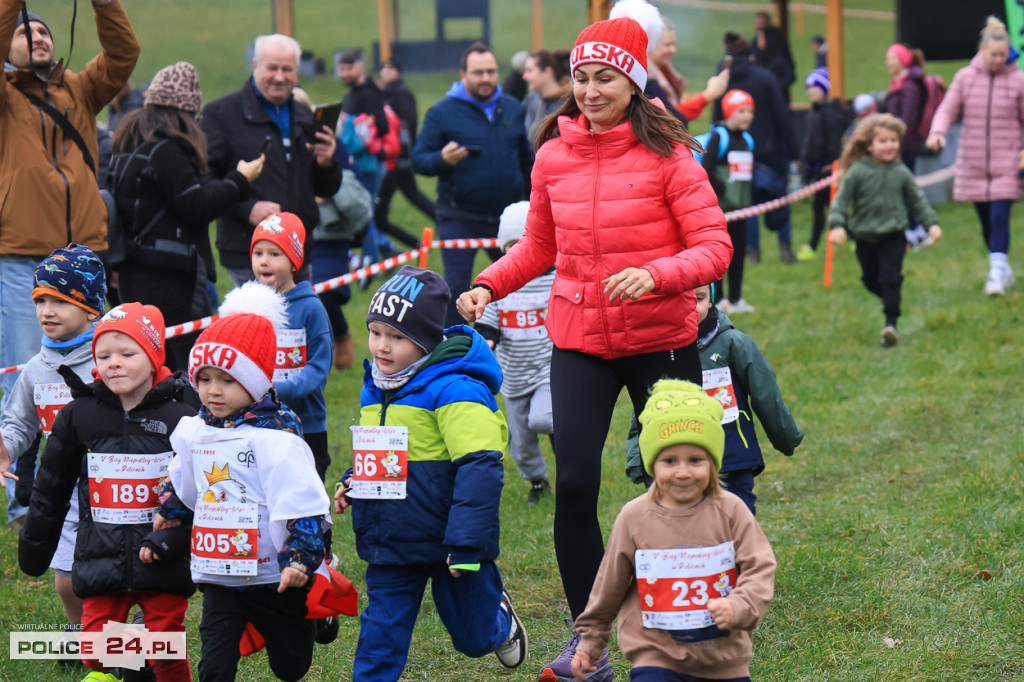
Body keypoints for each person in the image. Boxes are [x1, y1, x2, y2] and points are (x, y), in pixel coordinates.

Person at [455, 1, 732, 678]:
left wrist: (657, 274)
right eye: (582, 78)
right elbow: (540, 246)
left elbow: (714, 247)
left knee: (681, 483)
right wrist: (489, 283)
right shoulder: (554, 156)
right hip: (580, 337)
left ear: (635, 82)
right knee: (575, 484)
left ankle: (689, 619)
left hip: (661, 337)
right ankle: (592, 643)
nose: (590, 91)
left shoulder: (670, 157)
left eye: (606, 78)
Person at [332, 266, 528, 678]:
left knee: (473, 637)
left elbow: (481, 465)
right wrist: (356, 479)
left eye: (398, 337)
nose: (382, 347)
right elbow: (384, 449)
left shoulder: (455, 388)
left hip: (449, 542)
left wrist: (468, 545)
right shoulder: (378, 385)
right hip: (392, 539)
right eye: (376, 332)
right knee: (378, 640)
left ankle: (499, 622)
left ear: (426, 340)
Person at [1, 0, 139, 527]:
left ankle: (95, 482)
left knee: (98, 373)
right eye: (24, 31)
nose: (37, 36)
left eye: (42, 30)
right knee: (24, 376)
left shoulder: (79, 89)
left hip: (82, 257)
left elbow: (124, 53)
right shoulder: (5, 96)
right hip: (20, 256)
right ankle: (26, 501)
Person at [155, 282, 336, 681]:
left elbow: (301, 501)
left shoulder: (276, 437)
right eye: (203, 379)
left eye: (227, 380)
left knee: (291, 666)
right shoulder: (194, 430)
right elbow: (183, 474)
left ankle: (310, 622)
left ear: (254, 383)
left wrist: (300, 559)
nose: (212, 391)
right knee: (215, 665)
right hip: (220, 571)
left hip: (274, 574)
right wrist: (169, 507)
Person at [19, 302, 195, 681]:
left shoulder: (181, 418)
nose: (114, 362)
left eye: (127, 354)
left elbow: (204, 489)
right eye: (104, 355)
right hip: (101, 556)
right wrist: (35, 545)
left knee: (166, 648)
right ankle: (134, 654)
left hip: (162, 554)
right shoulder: (80, 414)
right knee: (95, 650)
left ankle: (148, 660)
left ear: (153, 357)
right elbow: (52, 485)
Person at [571, 379, 776, 682]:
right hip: (656, 656)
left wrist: (740, 605)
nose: (682, 472)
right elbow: (609, 585)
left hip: (723, 659)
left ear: (713, 463)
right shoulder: (634, 517)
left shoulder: (731, 510)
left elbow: (760, 566)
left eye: (695, 460)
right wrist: (590, 640)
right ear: (653, 465)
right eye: (669, 461)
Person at [110, 61, 265, 372]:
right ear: (184, 112)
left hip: (132, 272)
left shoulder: (129, 143)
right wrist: (239, 179)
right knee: (185, 363)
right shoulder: (165, 149)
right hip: (168, 276)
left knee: (148, 361)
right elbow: (197, 207)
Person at [0, 245, 106, 639]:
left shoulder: (110, 358)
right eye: (40, 300)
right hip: (65, 490)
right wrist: (6, 445)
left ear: (91, 309)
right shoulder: (35, 369)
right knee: (67, 580)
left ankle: (137, 636)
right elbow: (19, 423)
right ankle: (81, 634)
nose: (46, 311)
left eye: (59, 301)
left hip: (118, 486)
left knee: (126, 576)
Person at [625, 285, 804, 514]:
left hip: (731, 456)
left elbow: (766, 394)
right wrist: (637, 460)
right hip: (676, 464)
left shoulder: (734, 344)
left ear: (711, 301)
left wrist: (786, 436)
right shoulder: (659, 351)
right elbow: (644, 408)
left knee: (736, 521)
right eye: (682, 299)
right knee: (681, 528)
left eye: (699, 298)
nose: (691, 306)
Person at [201, 33, 341, 287]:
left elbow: (326, 189)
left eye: (287, 69)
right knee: (259, 327)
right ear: (255, 66)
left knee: (299, 326)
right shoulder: (221, 114)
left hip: (299, 253)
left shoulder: (304, 115)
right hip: (249, 254)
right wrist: (248, 208)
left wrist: (327, 163)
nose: (279, 77)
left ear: (297, 73)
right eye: (272, 68)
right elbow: (204, 180)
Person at [412, 41, 533, 326]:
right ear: (463, 73)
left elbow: (527, 161)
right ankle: (457, 351)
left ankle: (515, 343)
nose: (486, 78)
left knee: (523, 282)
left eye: (491, 71)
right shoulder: (442, 112)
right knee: (456, 288)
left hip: (506, 217)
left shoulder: (512, 108)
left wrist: (530, 202)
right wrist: (442, 159)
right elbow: (419, 160)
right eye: (478, 72)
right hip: (459, 216)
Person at [927, 16, 1024, 297]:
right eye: (993, 55)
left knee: (999, 216)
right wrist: (938, 132)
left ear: (1009, 54)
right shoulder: (965, 78)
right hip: (973, 160)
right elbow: (947, 108)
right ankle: (1000, 265)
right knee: (985, 220)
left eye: (1003, 55)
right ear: (982, 51)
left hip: (1006, 160)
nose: (997, 60)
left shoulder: (1018, 81)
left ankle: (996, 272)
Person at [829, 114, 941, 347]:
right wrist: (837, 226)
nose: (889, 145)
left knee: (890, 277)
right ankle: (892, 297)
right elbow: (840, 201)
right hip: (864, 237)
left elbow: (917, 200)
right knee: (871, 280)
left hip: (894, 235)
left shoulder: (900, 172)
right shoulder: (857, 171)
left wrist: (931, 223)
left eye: (893, 140)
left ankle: (891, 323)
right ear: (869, 145)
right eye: (883, 141)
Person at [474, 202, 554, 506]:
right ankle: (538, 481)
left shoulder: (555, 278)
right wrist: (487, 343)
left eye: (526, 246)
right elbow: (488, 323)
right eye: (512, 247)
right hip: (513, 374)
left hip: (548, 368)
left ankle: (564, 436)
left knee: (544, 419)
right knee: (520, 445)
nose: (520, 256)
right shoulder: (498, 283)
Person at [249, 212, 333, 480]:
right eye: (258, 253)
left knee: (307, 499)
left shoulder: (311, 308)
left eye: (275, 254)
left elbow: (318, 367)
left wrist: (280, 390)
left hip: (305, 424)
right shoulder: (249, 305)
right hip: (258, 419)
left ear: (294, 262)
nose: (264, 261)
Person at [715, 31, 795, 265]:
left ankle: (752, 251)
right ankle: (785, 247)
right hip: (770, 149)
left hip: (735, 148)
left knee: (745, 200)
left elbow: (717, 117)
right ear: (750, 56)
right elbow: (782, 115)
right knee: (779, 195)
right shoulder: (765, 77)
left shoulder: (723, 79)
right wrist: (793, 150)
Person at [698, 89, 757, 314]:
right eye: (741, 111)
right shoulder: (718, 137)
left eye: (750, 111)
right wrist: (721, 190)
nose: (747, 116)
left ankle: (736, 297)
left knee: (739, 252)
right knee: (719, 255)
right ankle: (720, 298)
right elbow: (707, 169)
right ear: (729, 112)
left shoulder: (747, 140)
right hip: (719, 211)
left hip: (740, 210)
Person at [339, 48, 393, 274]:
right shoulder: (352, 94)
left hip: (369, 165)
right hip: (358, 165)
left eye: (349, 68)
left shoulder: (368, 93)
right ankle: (385, 251)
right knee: (362, 212)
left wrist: (359, 124)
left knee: (364, 213)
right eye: (341, 69)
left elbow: (383, 125)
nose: (344, 73)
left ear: (361, 68)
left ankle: (373, 261)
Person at [376, 57, 436, 249]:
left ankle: (417, 243)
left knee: (380, 215)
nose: (385, 71)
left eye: (390, 67)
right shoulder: (388, 93)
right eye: (383, 67)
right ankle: (425, 238)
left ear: (398, 71)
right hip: (395, 158)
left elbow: (407, 124)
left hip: (398, 158)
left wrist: (402, 152)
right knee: (412, 194)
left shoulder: (401, 93)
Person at [797, 67, 848, 260]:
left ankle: (814, 245)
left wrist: (832, 163)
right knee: (828, 208)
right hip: (816, 171)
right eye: (809, 89)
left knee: (830, 208)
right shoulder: (813, 113)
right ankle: (852, 239)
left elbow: (834, 142)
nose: (811, 93)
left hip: (829, 170)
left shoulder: (832, 114)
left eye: (815, 89)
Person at [883, 44, 927, 169]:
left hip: (905, 145)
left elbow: (908, 119)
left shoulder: (909, 86)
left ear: (901, 60)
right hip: (897, 142)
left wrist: (897, 144)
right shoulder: (898, 83)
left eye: (892, 59)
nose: (888, 63)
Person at [522, 49, 571, 144]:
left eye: (529, 71)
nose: (524, 76)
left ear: (547, 72)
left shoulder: (568, 104)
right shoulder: (531, 100)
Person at [751, 11, 795, 102]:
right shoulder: (753, 47)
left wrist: (772, 87)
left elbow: (790, 76)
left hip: (779, 98)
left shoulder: (780, 52)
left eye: (762, 28)